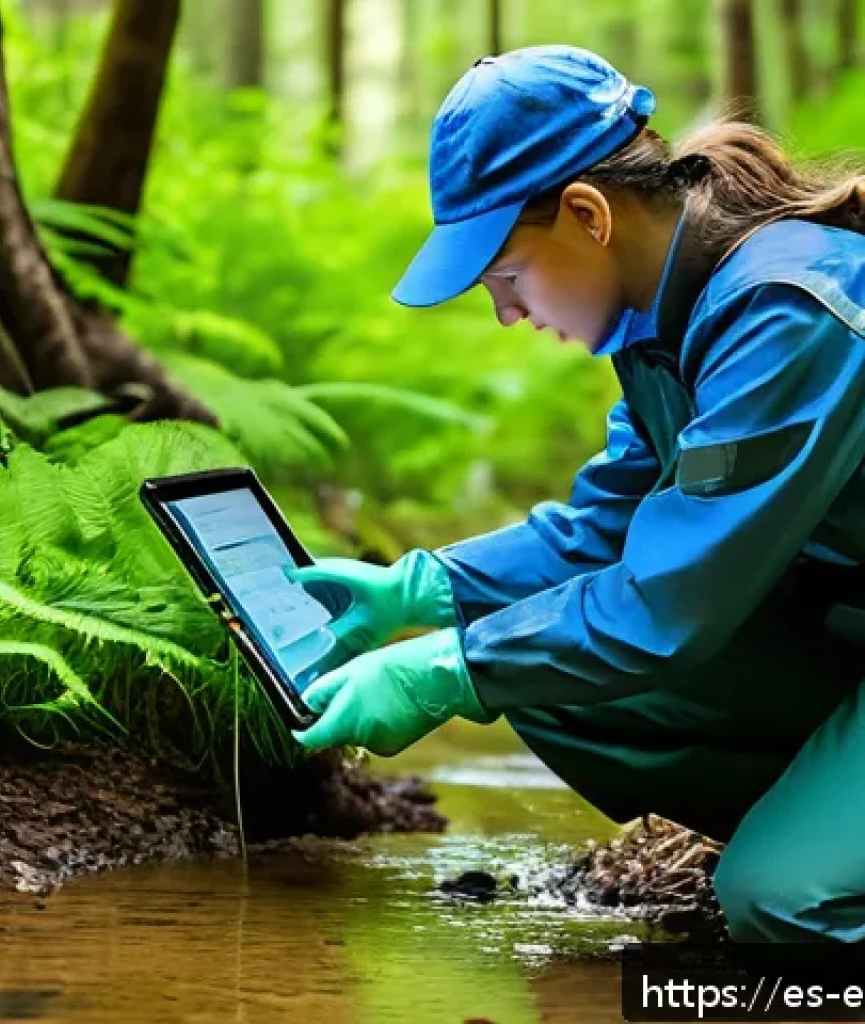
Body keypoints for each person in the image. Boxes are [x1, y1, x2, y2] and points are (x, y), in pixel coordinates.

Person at [284, 44, 865, 943]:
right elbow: (605, 528)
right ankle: (821, 821)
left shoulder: (787, 309)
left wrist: (453, 669)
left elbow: (668, 603)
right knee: (553, 687)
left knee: (784, 900)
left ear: (589, 215)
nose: (507, 313)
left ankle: (815, 861)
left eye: (506, 278)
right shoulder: (660, 325)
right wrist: (424, 587)